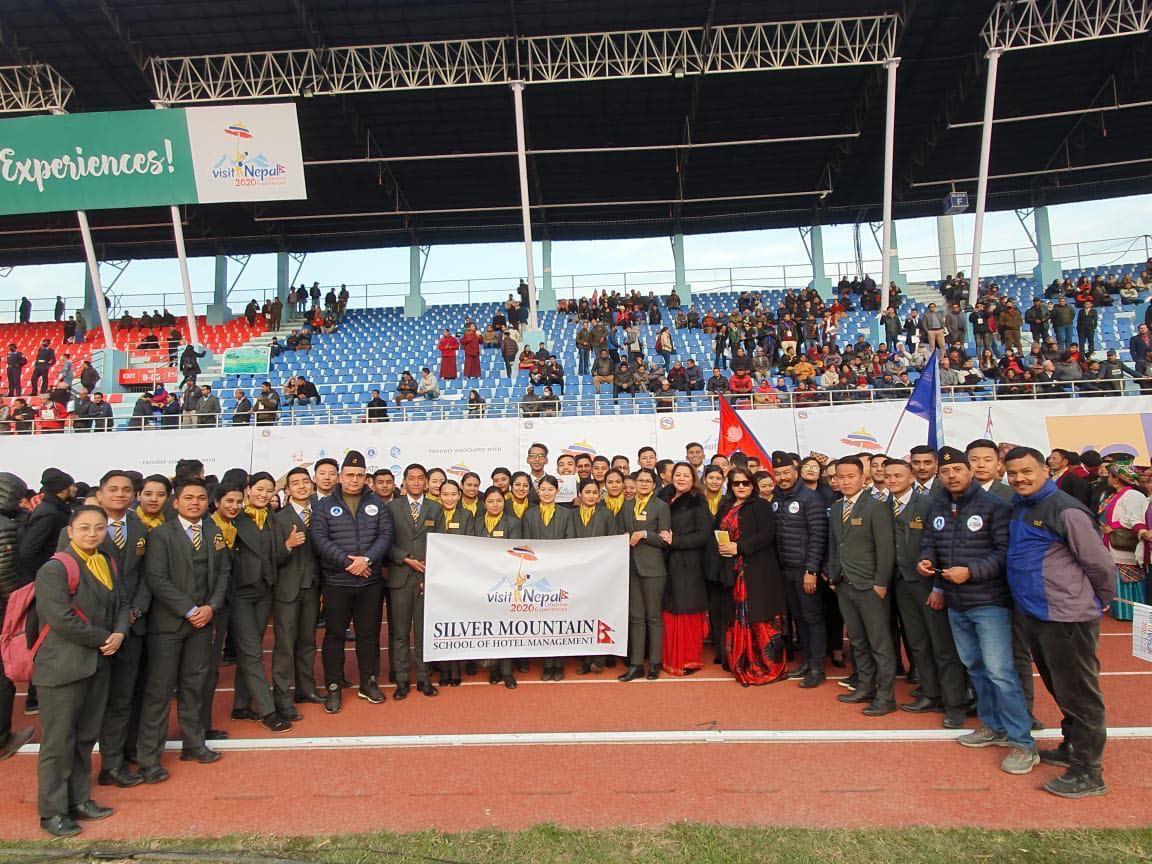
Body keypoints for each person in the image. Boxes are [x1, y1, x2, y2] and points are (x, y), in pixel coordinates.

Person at [917, 447, 1037, 776]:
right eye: (946, 471)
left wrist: (971, 571)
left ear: (970, 471)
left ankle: (1022, 742)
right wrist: (927, 559)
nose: (952, 475)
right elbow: (930, 538)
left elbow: (1004, 553)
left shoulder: (995, 506)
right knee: (976, 667)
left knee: (1000, 671)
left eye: (958, 469)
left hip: (989, 602)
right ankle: (992, 726)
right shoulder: (938, 505)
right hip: (956, 602)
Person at [1004, 446, 1115, 799]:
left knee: (1080, 694)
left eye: (1027, 471)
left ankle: (1088, 772)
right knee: (1060, 688)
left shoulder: (1065, 509)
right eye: (1013, 473)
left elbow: (1099, 564)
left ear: (1045, 471)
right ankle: (1072, 747)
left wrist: (1098, 601)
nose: (1019, 478)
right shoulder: (1022, 506)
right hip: (1037, 614)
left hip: (1067, 616)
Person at [33, 505, 128, 837]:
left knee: (86, 738)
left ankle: (79, 799)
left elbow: (122, 602)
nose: (92, 534)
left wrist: (119, 633)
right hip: (64, 666)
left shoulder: (106, 561)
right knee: (59, 742)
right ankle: (53, 811)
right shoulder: (55, 569)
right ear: (70, 531)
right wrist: (107, 638)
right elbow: (60, 619)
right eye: (85, 528)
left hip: (98, 662)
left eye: (99, 528)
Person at [136, 478, 231, 784]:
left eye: (201, 498)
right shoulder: (161, 535)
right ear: (174, 503)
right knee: (158, 692)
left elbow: (223, 573)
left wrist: (211, 607)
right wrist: (190, 610)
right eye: (188, 498)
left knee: (195, 685)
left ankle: (193, 743)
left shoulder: (213, 532)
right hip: (168, 625)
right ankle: (149, 758)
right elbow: (157, 578)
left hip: (203, 623)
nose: (195, 503)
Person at [885, 458, 968, 728]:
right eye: (888, 476)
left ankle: (954, 701)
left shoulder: (929, 504)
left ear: (911, 478)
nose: (893, 480)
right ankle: (930, 692)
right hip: (902, 584)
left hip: (928, 585)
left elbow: (942, 546)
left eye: (898, 475)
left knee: (942, 646)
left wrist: (938, 586)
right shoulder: (884, 506)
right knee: (918, 642)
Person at [311, 451, 394, 713]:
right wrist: (349, 563)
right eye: (349, 475)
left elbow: (386, 534)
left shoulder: (377, 504)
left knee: (369, 636)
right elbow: (320, 539)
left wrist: (366, 560)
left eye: (359, 475)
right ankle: (334, 686)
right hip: (337, 581)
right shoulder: (324, 505)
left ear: (365, 477)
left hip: (369, 582)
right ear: (340, 476)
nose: (355, 479)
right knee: (334, 636)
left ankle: (368, 683)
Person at [90, 472, 151, 789]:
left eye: (127, 490)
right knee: (96, 701)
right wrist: (113, 623)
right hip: (98, 632)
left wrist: (134, 613)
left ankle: (115, 763)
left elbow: (144, 577)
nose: (120, 494)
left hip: (132, 626)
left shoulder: (138, 526)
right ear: (100, 494)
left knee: (124, 698)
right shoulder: (84, 528)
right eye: (113, 489)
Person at [827, 456, 897, 716]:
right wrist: (833, 576)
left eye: (850, 476)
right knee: (857, 640)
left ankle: (886, 695)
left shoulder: (876, 506)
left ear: (862, 478)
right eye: (839, 477)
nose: (844, 481)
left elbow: (886, 548)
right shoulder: (836, 509)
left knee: (879, 642)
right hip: (845, 585)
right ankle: (865, 686)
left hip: (870, 585)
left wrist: (881, 583)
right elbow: (836, 546)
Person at [228, 473, 292, 733]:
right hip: (240, 592)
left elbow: (275, 557)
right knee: (253, 651)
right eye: (259, 489)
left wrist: (287, 546)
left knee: (250, 649)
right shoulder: (235, 518)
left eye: (268, 491)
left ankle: (241, 705)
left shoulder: (273, 520)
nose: (264, 495)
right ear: (248, 490)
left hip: (264, 589)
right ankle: (267, 710)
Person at [715, 466, 787, 685]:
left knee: (760, 618)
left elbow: (767, 535)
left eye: (745, 483)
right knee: (737, 617)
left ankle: (767, 665)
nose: (741, 487)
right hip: (733, 571)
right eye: (736, 483)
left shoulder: (761, 506)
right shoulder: (725, 506)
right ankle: (741, 660)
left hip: (758, 570)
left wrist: (739, 547)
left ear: (753, 485)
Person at [771, 453, 828, 688]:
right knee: (799, 618)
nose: (782, 477)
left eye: (786, 473)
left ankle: (817, 667)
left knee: (813, 617)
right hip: (786, 569)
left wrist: (812, 570)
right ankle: (806, 661)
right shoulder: (776, 498)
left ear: (796, 473)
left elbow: (818, 537)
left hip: (805, 569)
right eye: (778, 474)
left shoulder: (810, 498)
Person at [386, 464, 442, 698]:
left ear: (427, 482)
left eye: (421, 479)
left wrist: (426, 574)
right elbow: (384, 542)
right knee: (399, 632)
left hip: (425, 580)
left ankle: (423, 677)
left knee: (423, 631)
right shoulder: (391, 508)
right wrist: (405, 559)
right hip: (399, 577)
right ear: (405, 481)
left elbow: (440, 544)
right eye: (412, 478)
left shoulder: (435, 508)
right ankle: (401, 680)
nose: (417, 482)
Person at [271, 467, 322, 714]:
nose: (302, 486)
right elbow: (271, 558)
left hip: (312, 588)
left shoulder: (321, 514)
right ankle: (282, 697)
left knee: (308, 641)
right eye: (295, 483)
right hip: (287, 591)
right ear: (287, 490)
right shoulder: (279, 519)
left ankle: (306, 688)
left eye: (305, 482)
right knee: (285, 645)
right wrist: (287, 546)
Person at [616, 468, 671, 681]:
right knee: (636, 618)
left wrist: (645, 534)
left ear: (654, 484)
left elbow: (665, 539)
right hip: (631, 568)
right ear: (635, 482)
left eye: (649, 481)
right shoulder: (627, 505)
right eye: (641, 480)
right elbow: (620, 535)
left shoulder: (661, 507)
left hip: (653, 569)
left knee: (653, 617)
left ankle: (654, 663)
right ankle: (636, 664)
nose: (644, 483)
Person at [520, 475, 576, 680]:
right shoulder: (529, 514)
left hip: (559, 572)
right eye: (542, 489)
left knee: (559, 617)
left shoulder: (566, 514)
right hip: (537, 574)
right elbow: (525, 544)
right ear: (538, 491)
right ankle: (547, 664)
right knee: (542, 618)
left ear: (556, 491)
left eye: (550, 489)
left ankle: (558, 664)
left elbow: (569, 540)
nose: (546, 493)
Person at [659, 463, 711, 677]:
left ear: (693, 478)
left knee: (687, 612)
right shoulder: (663, 498)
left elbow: (703, 535)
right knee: (670, 611)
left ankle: (688, 659)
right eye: (677, 474)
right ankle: (671, 658)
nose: (681, 478)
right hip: (666, 563)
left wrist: (675, 541)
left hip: (689, 563)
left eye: (685, 475)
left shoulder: (698, 501)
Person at [471, 486, 521, 688]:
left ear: (504, 502)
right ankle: (492, 668)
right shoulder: (475, 523)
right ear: (485, 504)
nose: (494, 504)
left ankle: (507, 671)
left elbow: (517, 551)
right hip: (482, 581)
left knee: (506, 626)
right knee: (488, 626)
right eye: (490, 501)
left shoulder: (514, 523)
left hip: (506, 581)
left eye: (499, 501)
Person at [0, 473, 35, 762]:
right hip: (3, 613)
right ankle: (2, 737)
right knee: (4, 674)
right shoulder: (6, 528)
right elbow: (6, 577)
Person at [1097, 461, 1147, 621]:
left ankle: (1131, 613)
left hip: (1124, 542)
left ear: (1116, 478)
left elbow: (1135, 518)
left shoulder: (1133, 495)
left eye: (1110, 474)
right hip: (1111, 541)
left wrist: (1113, 526)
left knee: (1128, 576)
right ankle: (1119, 610)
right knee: (1116, 573)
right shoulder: (1114, 494)